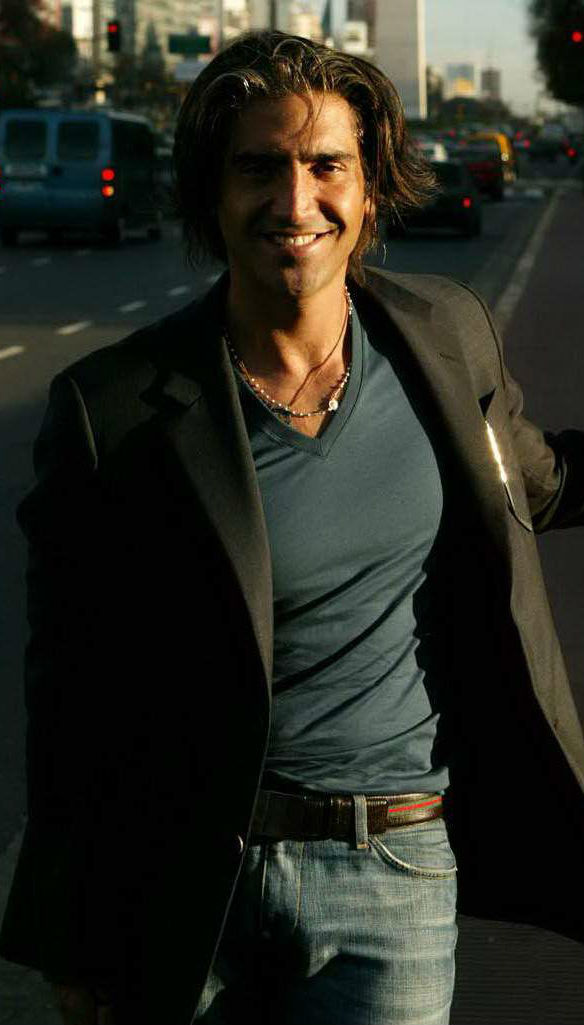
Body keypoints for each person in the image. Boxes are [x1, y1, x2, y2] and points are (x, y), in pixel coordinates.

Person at [1, 29, 584, 1025]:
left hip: (392, 870)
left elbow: (536, 482)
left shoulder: (447, 337)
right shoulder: (114, 408)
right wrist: (72, 933)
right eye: (259, 168)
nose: (295, 200)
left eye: (326, 166)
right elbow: (71, 691)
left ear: (369, 188)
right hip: (184, 883)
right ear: (210, 192)